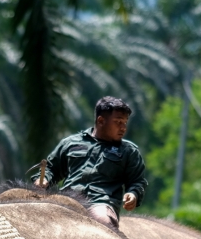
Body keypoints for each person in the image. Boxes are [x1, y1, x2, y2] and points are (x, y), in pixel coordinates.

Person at [36, 96, 147, 228]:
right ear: (101, 121)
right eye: (118, 122)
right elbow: (51, 169)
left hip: (100, 203)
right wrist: (44, 179)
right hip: (66, 199)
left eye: (125, 123)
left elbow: (137, 181)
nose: (123, 128)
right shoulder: (71, 143)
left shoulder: (129, 151)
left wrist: (133, 194)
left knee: (102, 223)